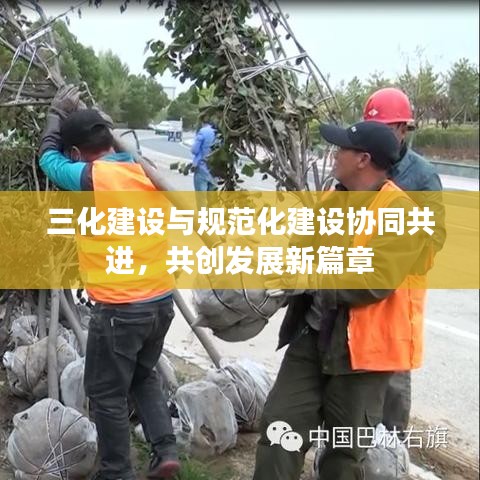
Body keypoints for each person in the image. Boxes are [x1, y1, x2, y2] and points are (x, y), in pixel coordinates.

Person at [252, 121, 429, 480]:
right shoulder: (334, 198)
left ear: (363, 159)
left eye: (342, 148)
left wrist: (311, 276)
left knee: (343, 453)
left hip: (362, 357)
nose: (334, 154)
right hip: (312, 338)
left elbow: (374, 280)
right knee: (279, 430)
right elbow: (300, 250)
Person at [38, 85, 180, 480]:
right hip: (160, 301)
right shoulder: (142, 169)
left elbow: (47, 160)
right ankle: (165, 451)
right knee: (143, 376)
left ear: (77, 153)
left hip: (121, 307)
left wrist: (54, 115)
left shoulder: (93, 176)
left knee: (105, 393)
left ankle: (117, 472)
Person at [363, 87, 446, 438]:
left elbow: (434, 237)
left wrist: (394, 253)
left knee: (393, 380)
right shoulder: (363, 164)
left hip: (398, 293)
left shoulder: (421, 177)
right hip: (360, 286)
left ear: (402, 129)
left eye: (384, 128)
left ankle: (391, 451)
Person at [191, 115, 217, 208]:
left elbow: (194, 150)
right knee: (212, 199)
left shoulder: (203, 131)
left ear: (202, 122)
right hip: (216, 170)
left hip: (202, 168)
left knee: (201, 199)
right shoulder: (219, 133)